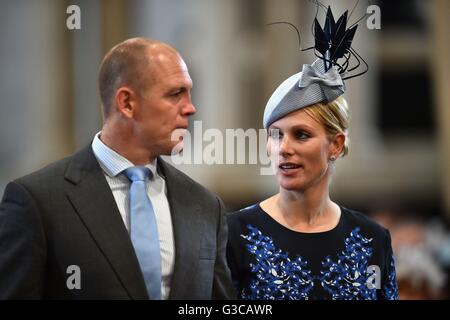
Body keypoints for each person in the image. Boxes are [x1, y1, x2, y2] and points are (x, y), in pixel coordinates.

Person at [0, 38, 235, 300]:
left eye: (189, 93)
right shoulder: (38, 201)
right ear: (126, 103)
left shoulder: (205, 206)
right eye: (175, 94)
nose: (190, 108)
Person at [226, 7, 399, 300]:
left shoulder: (373, 239)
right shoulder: (234, 233)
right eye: (276, 135)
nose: (285, 148)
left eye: (301, 135)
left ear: (336, 144)